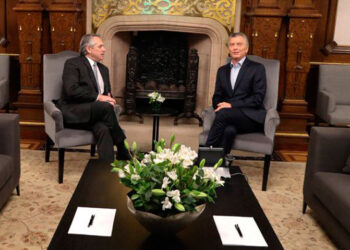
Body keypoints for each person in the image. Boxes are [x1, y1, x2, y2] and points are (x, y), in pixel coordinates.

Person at [55, 34, 130, 162]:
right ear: (89, 49)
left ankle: (107, 169)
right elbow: (71, 90)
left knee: (104, 129)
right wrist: (99, 97)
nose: (104, 49)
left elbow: (106, 94)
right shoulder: (73, 64)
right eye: (100, 46)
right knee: (105, 107)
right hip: (75, 112)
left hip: (96, 114)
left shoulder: (104, 69)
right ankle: (122, 148)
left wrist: (109, 97)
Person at [205, 32, 266, 155]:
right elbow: (217, 96)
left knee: (223, 114)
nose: (235, 47)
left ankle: (203, 157)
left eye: (239, 44)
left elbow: (257, 98)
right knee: (228, 130)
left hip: (251, 117)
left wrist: (231, 105)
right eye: (232, 44)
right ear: (229, 48)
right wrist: (221, 104)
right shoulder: (222, 71)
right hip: (228, 116)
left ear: (246, 48)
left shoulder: (257, 68)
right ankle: (220, 166)